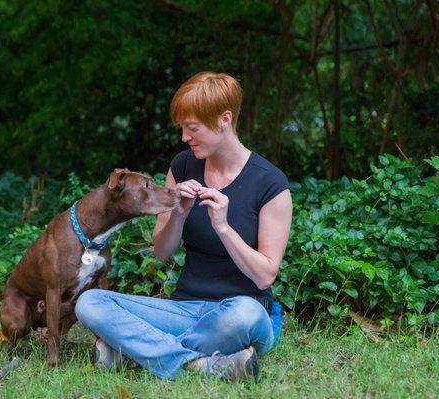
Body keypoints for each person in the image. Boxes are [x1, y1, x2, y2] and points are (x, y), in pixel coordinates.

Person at [75, 71, 292, 380]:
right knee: (90, 303)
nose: (184, 138)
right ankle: (200, 365)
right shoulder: (182, 166)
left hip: (241, 310)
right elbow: (161, 253)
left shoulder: (271, 184)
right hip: (183, 310)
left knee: (245, 316)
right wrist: (178, 212)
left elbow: (265, 275)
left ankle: (137, 355)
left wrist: (224, 227)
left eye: (192, 128)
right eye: (183, 129)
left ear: (224, 119)